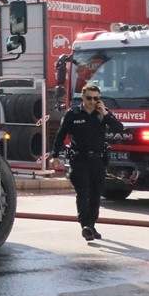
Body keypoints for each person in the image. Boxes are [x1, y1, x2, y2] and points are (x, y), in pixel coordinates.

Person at [52, 83, 125, 242]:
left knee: (95, 196)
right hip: (79, 160)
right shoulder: (74, 113)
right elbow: (61, 134)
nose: (93, 101)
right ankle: (85, 225)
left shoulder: (102, 114)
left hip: (98, 160)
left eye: (96, 98)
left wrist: (105, 113)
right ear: (83, 98)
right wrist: (55, 154)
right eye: (89, 98)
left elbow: (119, 128)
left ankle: (92, 225)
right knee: (83, 194)